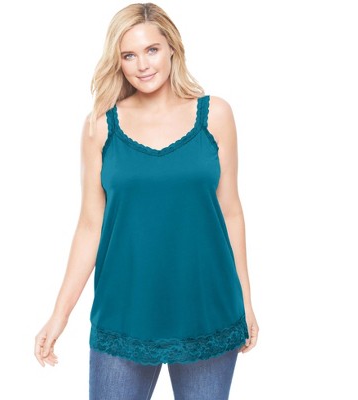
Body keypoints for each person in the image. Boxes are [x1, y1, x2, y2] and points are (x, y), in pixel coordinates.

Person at [34, 2, 259, 399]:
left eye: (152, 49)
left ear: (172, 47)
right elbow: (90, 226)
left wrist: (246, 301)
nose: (142, 65)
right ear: (118, 62)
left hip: (207, 308)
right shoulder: (100, 126)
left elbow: (231, 212)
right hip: (124, 312)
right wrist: (59, 315)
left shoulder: (215, 115)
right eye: (129, 55)